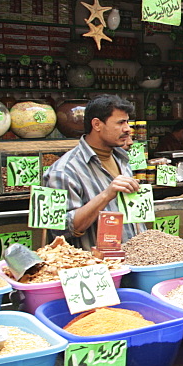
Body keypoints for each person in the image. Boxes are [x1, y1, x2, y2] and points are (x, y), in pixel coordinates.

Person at [43, 94, 140, 250]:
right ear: (97, 124)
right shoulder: (64, 171)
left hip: (132, 261)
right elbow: (60, 230)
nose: (128, 129)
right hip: (94, 269)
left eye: (127, 122)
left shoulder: (122, 159)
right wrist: (106, 195)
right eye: (121, 122)